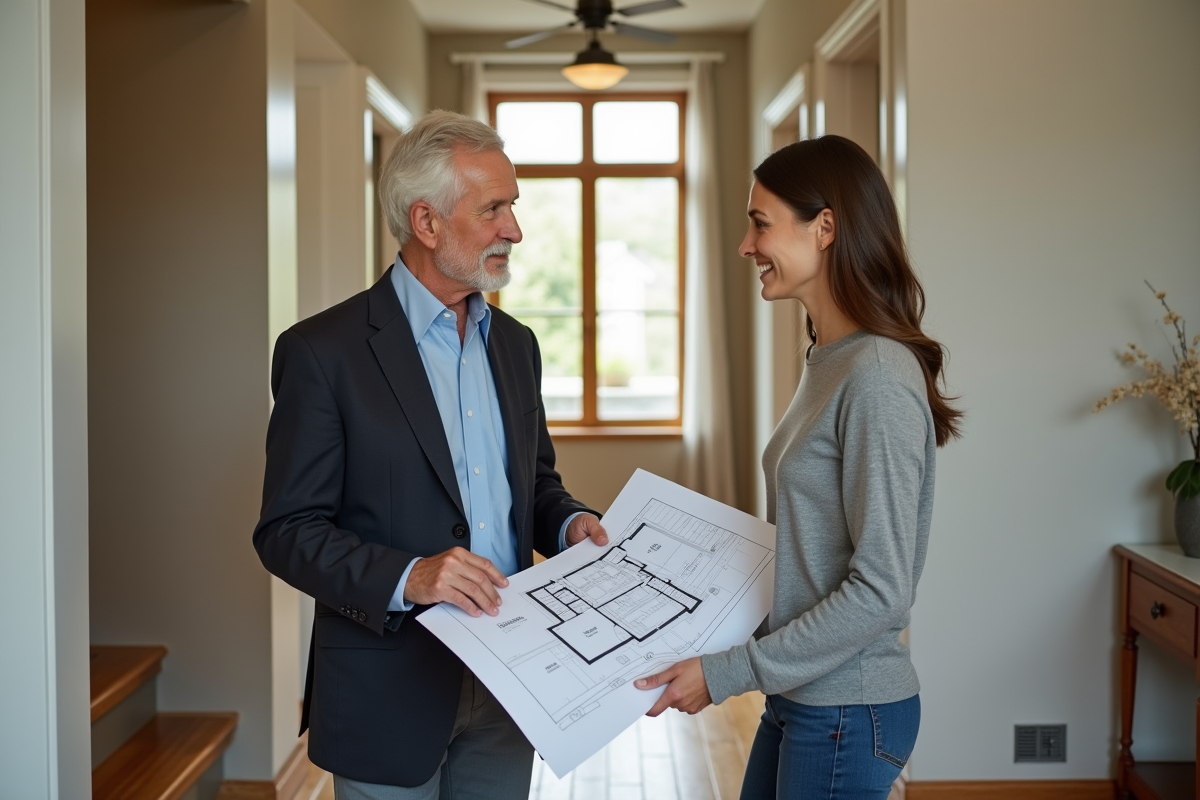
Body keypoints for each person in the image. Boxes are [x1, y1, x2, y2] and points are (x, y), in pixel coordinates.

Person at [252, 110, 608, 800]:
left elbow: (534, 486)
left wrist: (568, 524)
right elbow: (286, 533)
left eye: (514, 206)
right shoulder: (322, 354)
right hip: (387, 690)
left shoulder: (516, 345)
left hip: (511, 678)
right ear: (427, 222)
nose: (515, 229)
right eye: (494, 209)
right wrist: (411, 576)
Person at [635, 135, 962, 799]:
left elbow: (881, 590)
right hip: (804, 695)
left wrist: (730, 670)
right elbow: (810, 557)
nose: (745, 246)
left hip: (847, 705)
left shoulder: (874, 374)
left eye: (760, 224)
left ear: (826, 228)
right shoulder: (830, 359)